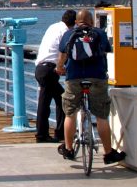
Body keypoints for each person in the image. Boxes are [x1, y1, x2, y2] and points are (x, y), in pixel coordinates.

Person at [56, 9, 126, 165]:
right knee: (101, 116)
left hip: (74, 78)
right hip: (97, 77)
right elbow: (107, 50)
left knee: (70, 113)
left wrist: (60, 68)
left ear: (76, 22)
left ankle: (68, 149)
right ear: (92, 21)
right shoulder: (99, 33)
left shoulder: (69, 34)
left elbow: (62, 56)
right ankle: (108, 153)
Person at [33, 10, 75, 143]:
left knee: (58, 99)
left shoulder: (53, 27)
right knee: (48, 103)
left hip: (41, 67)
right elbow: (66, 51)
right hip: (49, 70)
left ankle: (57, 132)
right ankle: (43, 135)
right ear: (73, 23)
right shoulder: (66, 32)